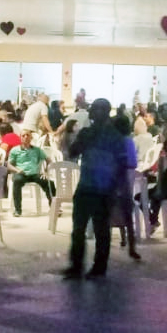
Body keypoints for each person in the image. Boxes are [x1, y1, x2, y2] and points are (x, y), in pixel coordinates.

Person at [62, 98, 129, 280]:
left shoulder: (105, 135)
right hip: (93, 186)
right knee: (89, 228)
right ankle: (85, 266)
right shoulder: (107, 135)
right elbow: (74, 151)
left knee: (93, 229)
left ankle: (90, 266)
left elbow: (73, 152)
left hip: (96, 187)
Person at [110, 114, 141, 260]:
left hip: (113, 180)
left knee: (109, 213)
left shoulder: (112, 141)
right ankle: (131, 246)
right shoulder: (129, 141)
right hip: (126, 179)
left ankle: (105, 246)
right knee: (128, 215)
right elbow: (133, 162)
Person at [7, 129, 53, 216]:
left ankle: (54, 207)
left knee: (49, 183)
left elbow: (49, 160)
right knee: (17, 181)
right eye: (23, 135)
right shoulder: (15, 150)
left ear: (31, 138)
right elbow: (9, 165)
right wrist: (17, 170)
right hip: (21, 173)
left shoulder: (37, 150)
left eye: (27, 135)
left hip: (34, 174)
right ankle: (17, 210)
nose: (25, 137)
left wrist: (46, 171)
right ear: (20, 138)